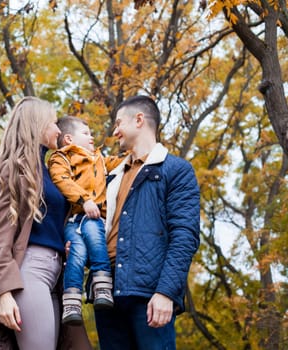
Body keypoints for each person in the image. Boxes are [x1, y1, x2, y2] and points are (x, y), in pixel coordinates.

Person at [0, 97, 91, 350]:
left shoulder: (53, 173)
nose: (58, 130)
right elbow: (2, 239)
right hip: (30, 271)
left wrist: (68, 244)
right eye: (52, 123)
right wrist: (5, 294)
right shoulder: (15, 170)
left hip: (57, 275)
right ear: (36, 125)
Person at [94, 95, 200, 350]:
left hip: (149, 295)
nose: (115, 130)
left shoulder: (176, 170)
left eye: (119, 123)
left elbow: (185, 236)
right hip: (106, 292)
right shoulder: (111, 176)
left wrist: (166, 292)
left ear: (139, 120)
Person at [48, 116, 124, 326]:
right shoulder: (61, 158)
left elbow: (120, 163)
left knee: (94, 239)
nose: (92, 137)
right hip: (76, 217)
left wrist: (133, 152)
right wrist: (84, 200)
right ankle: (72, 300)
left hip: (94, 217)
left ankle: (101, 286)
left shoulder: (99, 159)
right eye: (86, 133)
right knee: (77, 255)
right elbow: (61, 180)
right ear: (69, 139)